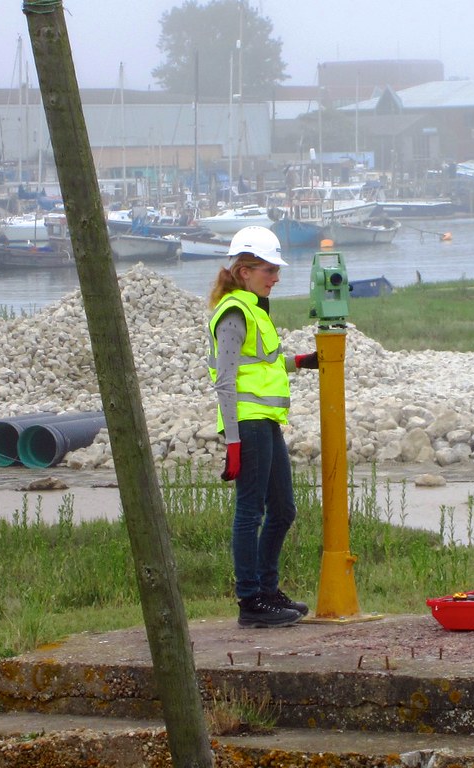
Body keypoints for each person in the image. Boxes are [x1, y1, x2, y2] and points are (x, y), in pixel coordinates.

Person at [207, 225, 318, 628]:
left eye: (276, 270)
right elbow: (225, 378)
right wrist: (232, 441)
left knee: (284, 509)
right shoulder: (235, 312)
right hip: (248, 424)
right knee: (250, 511)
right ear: (244, 271)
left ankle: (268, 591)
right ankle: (251, 600)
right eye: (269, 270)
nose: (276, 278)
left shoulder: (254, 309)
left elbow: (263, 364)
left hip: (266, 421)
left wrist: (300, 362)